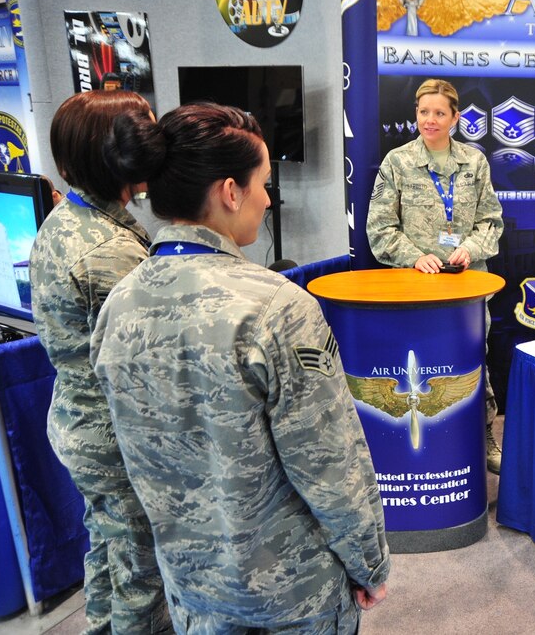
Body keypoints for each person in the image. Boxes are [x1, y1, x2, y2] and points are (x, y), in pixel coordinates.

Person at [90, 103, 389, 632]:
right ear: (230, 191)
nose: (268, 198)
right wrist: (370, 562)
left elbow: (118, 456)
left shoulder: (118, 304)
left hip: (191, 590)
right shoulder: (277, 308)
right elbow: (328, 461)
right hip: (292, 595)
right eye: (263, 183)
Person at [28, 90, 169, 634]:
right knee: (141, 574)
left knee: (110, 551)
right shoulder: (110, 252)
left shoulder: (70, 220)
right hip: (115, 439)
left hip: (80, 424)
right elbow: (148, 367)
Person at [366, 78, 505, 473]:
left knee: (474, 364)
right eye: (423, 112)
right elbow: (379, 230)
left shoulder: (474, 162)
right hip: (415, 291)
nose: (430, 120)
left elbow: (491, 223)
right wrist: (414, 257)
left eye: (439, 113)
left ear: (455, 117)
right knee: (419, 369)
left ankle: (486, 442)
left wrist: (471, 249)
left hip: (467, 291)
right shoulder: (397, 162)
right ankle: (420, 454)